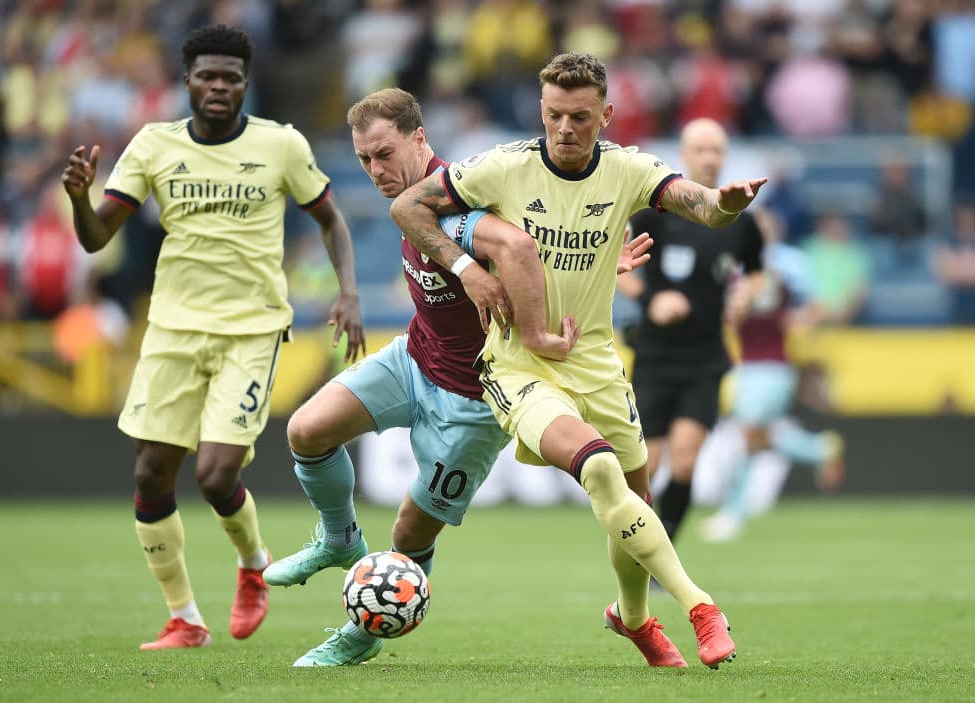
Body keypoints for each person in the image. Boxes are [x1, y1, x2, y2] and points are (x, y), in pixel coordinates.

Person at [392, 52, 767, 669]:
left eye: (580, 117)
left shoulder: (627, 170)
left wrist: (726, 204)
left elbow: (699, 205)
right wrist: (465, 270)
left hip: (594, 360)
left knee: (637, 501)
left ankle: (633, 616)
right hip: (517, 363)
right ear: (541, 112)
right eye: (554, 115)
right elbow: (408, 206)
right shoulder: (501, 167)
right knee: (598, 472)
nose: (565, 128)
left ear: (606, 115)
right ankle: (701, 607)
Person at [263, 87, 653, 667]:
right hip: (414, 359)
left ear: (420, 138)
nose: (375, 170)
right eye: (365, 159)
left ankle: (363, 635)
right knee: (307, 431)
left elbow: (519, 245)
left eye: (384, 154)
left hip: (474, 400)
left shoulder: (462, 199)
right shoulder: (411, 198)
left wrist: (578, 264)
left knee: (409, 537)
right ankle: (339, 538)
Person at [61, 24, 365, 651]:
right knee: (150, 475)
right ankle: (185, 619)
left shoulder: (280, 144)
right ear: (189, 81)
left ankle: (252, 561)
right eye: (209, 76)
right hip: (172, 328)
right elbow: (96, 239)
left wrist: (349, 293)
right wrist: (79, 200)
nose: (220, 86)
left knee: (216, 474)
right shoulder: (153, 145)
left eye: (231, 77)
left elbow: (331, 219)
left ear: (245, 83)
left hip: (251, 329)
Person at [618, 118, 764, 546]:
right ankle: (635, 549)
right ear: (684, 156)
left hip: (706, 357)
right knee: (650, 465)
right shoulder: (658, 213)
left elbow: (755, 271)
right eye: (700, 149)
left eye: (716, 150)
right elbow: (618, 268)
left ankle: (664, 552)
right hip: (656, 355)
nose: (709, 158)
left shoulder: (740, 219)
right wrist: (652, 301)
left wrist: (746, 296)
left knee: (684, 462)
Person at [698, 209, 845, 543]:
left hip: (774, 365)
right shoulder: (736, 263)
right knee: (757, 437)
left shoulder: (789, 263)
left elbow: (819, 306)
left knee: (747, 434)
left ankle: (732, 514)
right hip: (749, 364)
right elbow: (727, 313)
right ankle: (820, 449)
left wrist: (797, 320)